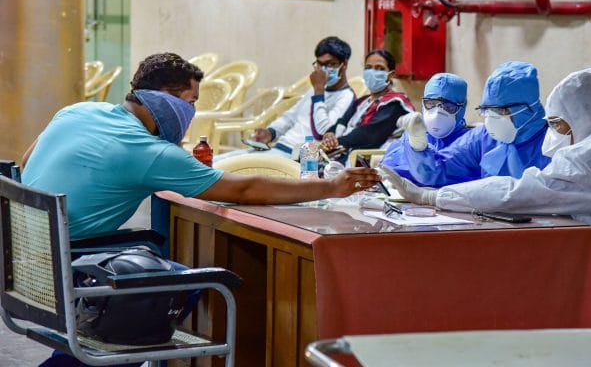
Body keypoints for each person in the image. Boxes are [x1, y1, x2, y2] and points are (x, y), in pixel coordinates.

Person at [22, 52, 379, 367]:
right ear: (164, 99)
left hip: (23, 258)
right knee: (187, 282)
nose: (192, 112)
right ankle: (88, 362)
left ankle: (79, 358)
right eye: (191, 101)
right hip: (67, 267)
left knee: (154, 263)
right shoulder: (149, 152)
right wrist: (330, 186)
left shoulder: (79, 110)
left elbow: (26, 162)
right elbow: (244, 188)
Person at [383, 68, 591, 328]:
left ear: (579, 117)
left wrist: (430, 197)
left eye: (558, 124)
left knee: (544, 307)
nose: (555, 133)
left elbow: (516, 192)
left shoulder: (590, 156)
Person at [381, 61, 550, 188]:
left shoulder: (554, 141)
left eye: (500, 111)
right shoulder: (482, 138)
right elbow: (436, 170)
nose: (491, 119)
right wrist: (417, 145)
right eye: (486, 110)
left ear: (528, 109)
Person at [215, 36, 355, 161]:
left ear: (345, 65)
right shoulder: (314, 90)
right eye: (320, 64)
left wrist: (319, 92)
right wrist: (271, 133)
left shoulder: (347, 97)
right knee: (216, 162)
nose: (324, 70)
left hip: (302, 158)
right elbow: (290, 117)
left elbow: (323, 133)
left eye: (331, 64)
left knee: (226, 169)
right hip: (279, 148)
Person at [380, 72, 476, 187]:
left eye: (448, 106)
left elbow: (441, 174)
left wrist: (419, 150)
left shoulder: (470, 142)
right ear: (423, 103)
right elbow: (387, 168)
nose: (437, 112)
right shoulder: (415, 132)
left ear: (462, 109)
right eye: (431, 103)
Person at [320, 49, 414, 163]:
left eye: (380, 68)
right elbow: (341, 122)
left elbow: (369, 135)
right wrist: (330, 135)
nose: (372, 72)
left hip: (371, 163)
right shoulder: (362, 102)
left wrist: (336, 143)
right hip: (344, 154)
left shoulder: (396, 103)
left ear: (391, 75)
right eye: (368, 67)